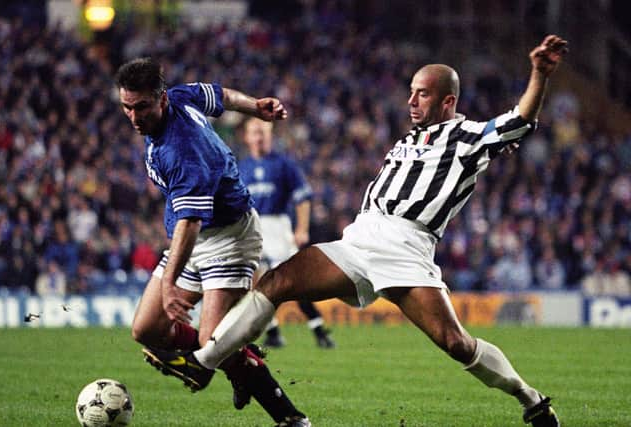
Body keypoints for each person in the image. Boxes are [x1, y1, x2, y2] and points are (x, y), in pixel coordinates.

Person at [145, 35, 568, 426]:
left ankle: (530, 398)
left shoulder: (466, 137)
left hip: (407, 248)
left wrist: (539, 74)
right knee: (277, 281)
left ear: (447, 100)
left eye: (422, 93)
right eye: (411, 92)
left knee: (455, 343)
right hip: (360, 239)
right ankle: (203, 362)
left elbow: (519, 121)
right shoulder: (409, 139)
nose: (411, 101)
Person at [115, 58, 310, 427]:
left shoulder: (183, 150)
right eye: (127, 107)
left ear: (159, 100)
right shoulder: (181, 97)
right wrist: (255, 106)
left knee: (210, 343)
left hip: (228, 237)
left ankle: (290, 418)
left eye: (141, 107)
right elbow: (222, 96)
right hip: (193, 238)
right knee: (146, 329)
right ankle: (235, 357)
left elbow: (190, 220)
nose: (134, 117)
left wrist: (170, 283)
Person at [238, 117, 335, 349]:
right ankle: (272, 332)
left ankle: (318, 328)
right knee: (255, 283)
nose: (259, 137)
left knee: (293, 282)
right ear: (247, 137)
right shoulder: (242, 167)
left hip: (279, 227)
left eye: (263, 132)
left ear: (270, 136)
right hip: (253, 227)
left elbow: (302, 198)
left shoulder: (284, 164)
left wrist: (301, 229)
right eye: (255, 132)